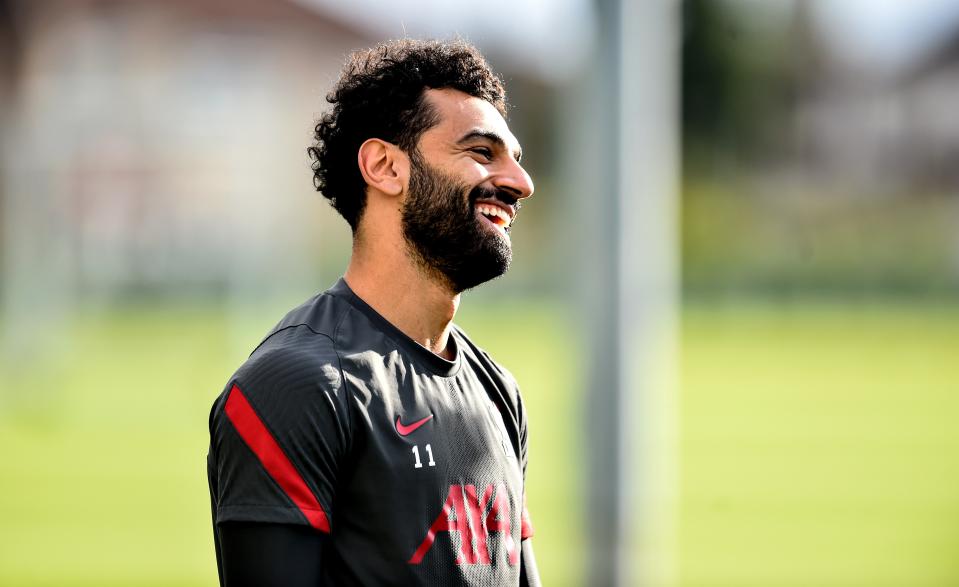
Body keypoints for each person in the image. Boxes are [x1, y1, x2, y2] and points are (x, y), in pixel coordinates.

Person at [206, 38, 540, 586]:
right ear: (385, 166)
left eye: (515, 160)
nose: (520, 183)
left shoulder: (497, 390)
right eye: (482, 153)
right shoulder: (298, 386)